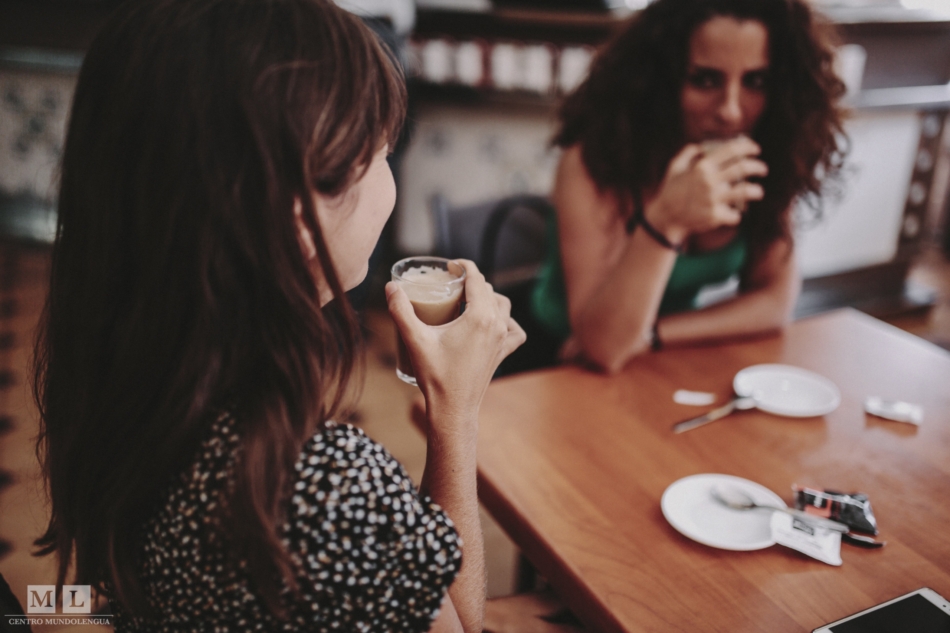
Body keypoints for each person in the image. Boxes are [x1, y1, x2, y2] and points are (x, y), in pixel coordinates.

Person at [32, 1, 524, 631]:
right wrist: (455, 414)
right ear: (300, 215)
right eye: (378, 154)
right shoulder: (322, 491)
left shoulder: (118, 363)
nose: (388, 177)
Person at [523, 0, 847, 374]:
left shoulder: (770, 157)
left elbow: (774, 302)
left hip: (662, 354)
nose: (730, 110)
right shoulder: (590, 165)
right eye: (705, 80)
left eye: (756, 82)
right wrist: (666, 220)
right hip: (558, 362)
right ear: (660, 80)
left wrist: (656, 334)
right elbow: (604, 346)